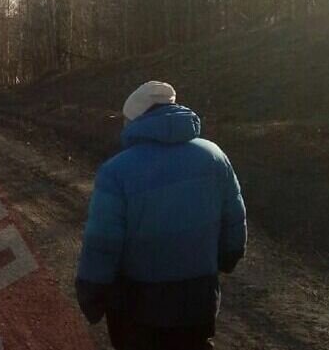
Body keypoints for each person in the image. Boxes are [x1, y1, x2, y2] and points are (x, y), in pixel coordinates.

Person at [75, 81, 247, 350]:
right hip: (199, 300)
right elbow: (234, 224)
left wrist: (91, 292)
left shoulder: (116, 172)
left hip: (139, 307)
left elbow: (103, 244)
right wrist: (224, 259)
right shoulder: (214, 156)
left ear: (132, 121)